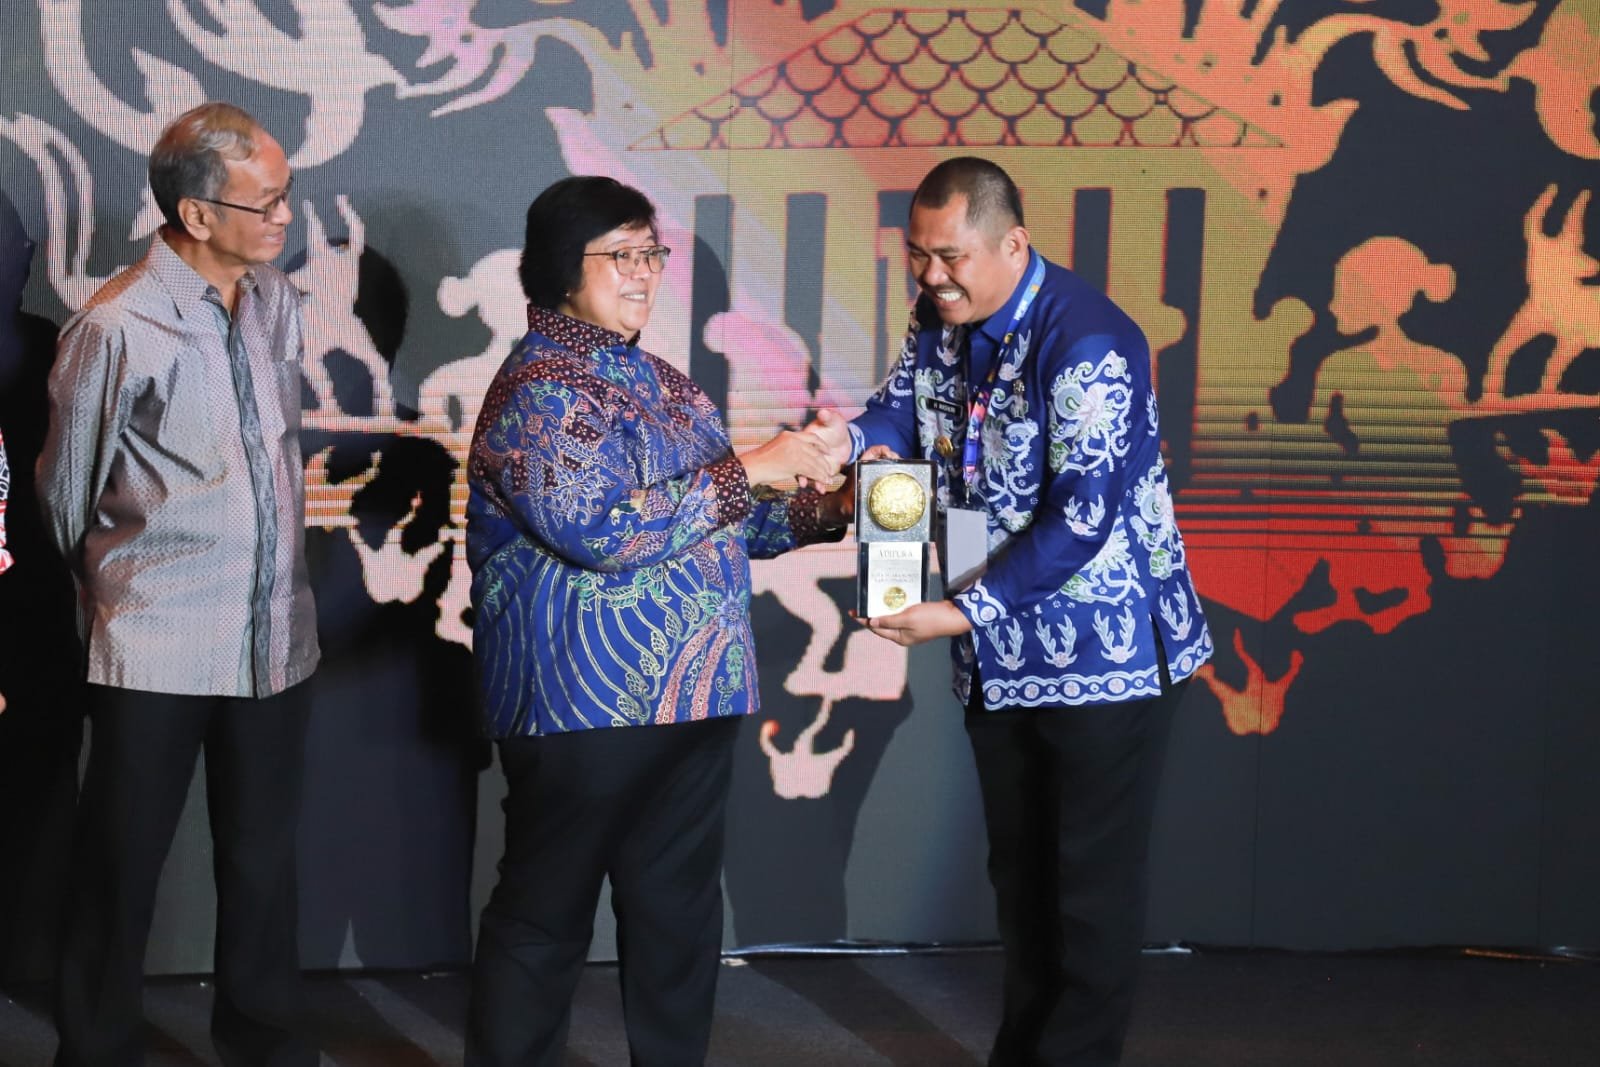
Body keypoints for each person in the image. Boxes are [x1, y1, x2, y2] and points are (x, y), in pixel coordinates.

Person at [809, 157, 1215, 1066]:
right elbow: (903, 418)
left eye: (950, 256)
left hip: (1107, 656)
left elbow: (1083, 519)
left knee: (1087, 891)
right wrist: (847, 440)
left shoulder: (1090, 341)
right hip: (1000, 655)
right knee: (1022, 881)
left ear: (1014, 244)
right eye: (918, 255)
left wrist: (957, 615)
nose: (931, 276)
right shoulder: (939, 319)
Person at [464, 175, 860, 1066]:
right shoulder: (539, 387)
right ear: (561, 268)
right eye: (622, 255)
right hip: (581, 704)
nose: (644, 273)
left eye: (652, 253)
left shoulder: (665, 384)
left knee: (678, 922)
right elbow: (599, 529)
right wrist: (750, 466)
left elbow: (728, 522)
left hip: (696, 696)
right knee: (544, 919)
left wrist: (829, 505)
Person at [38, 102, 319, 1067]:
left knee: (263, 861)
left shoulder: (277, 300)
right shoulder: (117, 323)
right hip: (155, 642)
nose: (285, 216)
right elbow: (64, 495)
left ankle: (264, 1043)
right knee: (121, 864)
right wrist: (124, 591)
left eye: (286, 194)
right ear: (197, 214)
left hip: (274, 636)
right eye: (265, 201)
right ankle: (98, 1048)